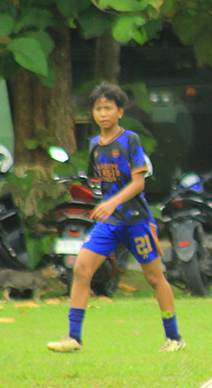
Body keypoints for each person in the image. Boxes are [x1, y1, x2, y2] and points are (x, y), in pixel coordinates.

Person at [48, 83, 183, 353]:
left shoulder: (130, 140)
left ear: (120, 111)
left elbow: (138, 184)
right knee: (82, 269)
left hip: (136, 221)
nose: (103, 113)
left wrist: (110, 203)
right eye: (98, 108)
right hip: (109, 224)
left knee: (155, 278)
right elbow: (97, 181)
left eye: (108, 108)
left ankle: (175, 338)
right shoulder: (94, 146)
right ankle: (74, 338)